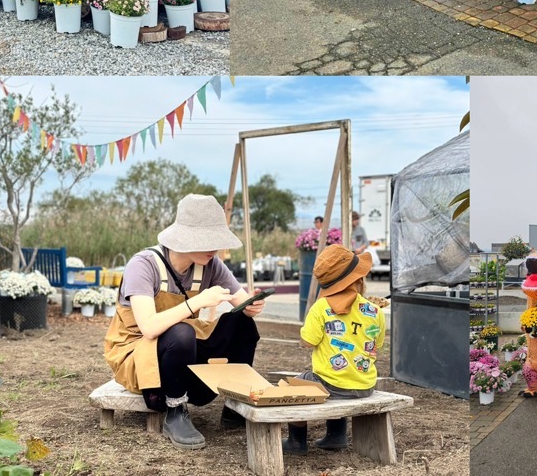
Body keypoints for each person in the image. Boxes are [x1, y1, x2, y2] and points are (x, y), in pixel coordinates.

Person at [104, 194, 266, 451]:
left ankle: (235, 404)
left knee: (241, 324)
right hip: (139, 354)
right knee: (180, 333)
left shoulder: (211, 265)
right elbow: (148, 328)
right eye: (206, 241)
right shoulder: (144, 265)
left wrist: (252, 306)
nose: (214, 248)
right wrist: (197, 302)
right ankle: (175, 410)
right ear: (184, 237)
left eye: (217, 240)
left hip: (183, 350)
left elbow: (241, 301)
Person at [282, 244, 385, 454]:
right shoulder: (375, 311)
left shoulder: (321, 307)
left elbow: (308, 341)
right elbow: (378, 345)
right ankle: (336, 435)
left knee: (297, 385)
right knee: (338, 377)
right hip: (365, 385)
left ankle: (296, 442)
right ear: (359, 279)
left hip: (331, 385)